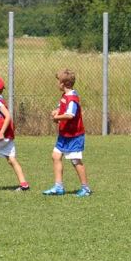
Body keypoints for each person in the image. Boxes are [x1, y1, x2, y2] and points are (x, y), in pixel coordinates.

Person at [43, 69, 91, 197]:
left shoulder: (72, 98)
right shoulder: (65, 96)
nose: (57, 84)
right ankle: (58, 187)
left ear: (63, 84)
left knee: (75, 160)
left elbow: (70, 115)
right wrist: (56, 111)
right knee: (56, 156)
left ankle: (85, 188)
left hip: (74, 136)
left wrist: (57, 117)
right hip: (64, 134)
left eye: (58, 81)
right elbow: (61, 108)